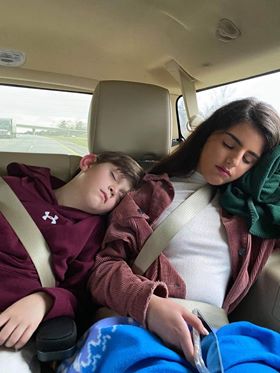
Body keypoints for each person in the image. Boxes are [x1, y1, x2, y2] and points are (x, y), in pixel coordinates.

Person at [59, 98, 280, 373]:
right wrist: (149, 306)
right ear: (206, 135)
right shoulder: (147, 193)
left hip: (218, 335)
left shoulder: (255, 214)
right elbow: (103, 269)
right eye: (229, 144)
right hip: (141, 326)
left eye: (248, 159)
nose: (233, 161)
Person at [0, 151, 144, 372]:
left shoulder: (92, 236)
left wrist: (44, 301)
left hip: (9, 325)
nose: (114, 190)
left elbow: (79, 297)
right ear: (87, 163)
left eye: (120, 195)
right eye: (114, 177)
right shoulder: (13, 187)